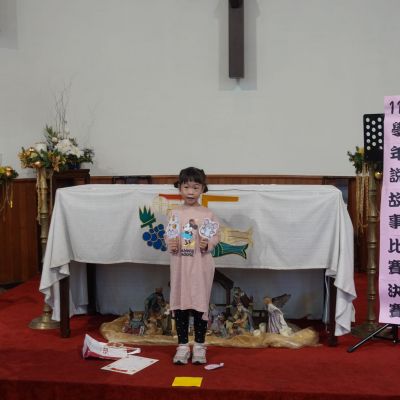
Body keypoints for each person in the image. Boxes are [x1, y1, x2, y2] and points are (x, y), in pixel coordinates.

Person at [165, 167, 220, 365]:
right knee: (180, 305)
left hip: (200, 266)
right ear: (179, 188)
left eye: (195, 187)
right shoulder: (174, 213)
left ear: (203, 189)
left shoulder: (208, 214)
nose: (190, 192)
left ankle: (199, 346)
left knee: (199, 305)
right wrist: (170, 243)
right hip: (180, 266)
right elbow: (169, 235)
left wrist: (208, 243)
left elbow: (215, 237)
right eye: (186, 187)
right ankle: (182, 346)